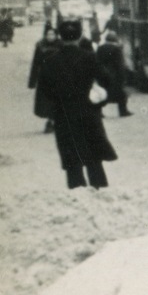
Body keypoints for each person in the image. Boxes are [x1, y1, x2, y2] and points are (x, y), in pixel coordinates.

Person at [38, 19, 117, 189]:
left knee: (72, 160)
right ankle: (100, 193)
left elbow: (44, 89)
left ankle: (77, 196)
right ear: (80, 36)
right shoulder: (89, 57)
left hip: (63, 116)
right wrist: (99, 98)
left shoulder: (50, 61)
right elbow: (107, 80)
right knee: (94, 158)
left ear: (60, 36)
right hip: (88, 113)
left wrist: (57, 103)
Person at [29, 23, 61, 133]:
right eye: (48, 34)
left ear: (56, 35)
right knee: (47, 102)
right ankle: (50, 121)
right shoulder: (41, 46)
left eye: (52, 34)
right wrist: (32, 81)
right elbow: (35, 63)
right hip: (45, 78)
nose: (50, 36)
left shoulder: (61, 46)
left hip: (59, 78)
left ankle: (54, 121)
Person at [95, 31, 132, 117]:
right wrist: (123, 76)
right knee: (121, 94)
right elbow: (120, 64)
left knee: (102, 93)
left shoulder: (100, 48)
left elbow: (96, 61)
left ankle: (99, 112)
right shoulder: (116, 49)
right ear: (115, 39)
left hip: (102, 74)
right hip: (114, 75)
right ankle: (123, 111)